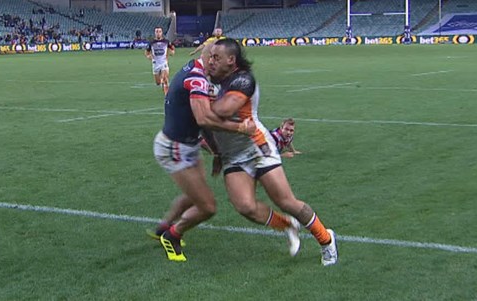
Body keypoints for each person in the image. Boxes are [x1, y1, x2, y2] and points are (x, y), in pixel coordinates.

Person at [207, 38, 338, 266]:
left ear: (231, 60)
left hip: (257, 146)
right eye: (210, 57)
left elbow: (221, 111)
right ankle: (287, 225)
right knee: (245, 207)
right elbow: (205, 126)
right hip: (232, 155)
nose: (211, 61)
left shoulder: (244, 80)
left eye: (216, 57)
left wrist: (202, 107)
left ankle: (326, 240)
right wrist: (217, 152)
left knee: (287, 201)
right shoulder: (206, 81)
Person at [152, 42, 257, 262]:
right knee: (208, 207)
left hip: (185, 145)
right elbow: (205, 119)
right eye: (213, 58)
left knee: (194, 197)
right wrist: (240, 128)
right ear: (206, 56)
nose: (215, 63)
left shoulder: (195, 70)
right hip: (175, 148)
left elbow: (202, 125)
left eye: (217, 59)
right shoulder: (197, 79)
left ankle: (163, 227)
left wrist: (217, 152)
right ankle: (172, 236)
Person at [145, 26, 174, 94]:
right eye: (156, 32)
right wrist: (149, 56)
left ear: (162, 33)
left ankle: (167, 95)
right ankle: (162, 83)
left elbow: (172, 49)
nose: (158, 33)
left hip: (164, 62)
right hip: (155, 64)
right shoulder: (151, 42)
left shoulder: (166, 41)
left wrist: (171, 52)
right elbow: (147, 52)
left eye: (159, 31)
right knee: (158, 83)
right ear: (155, 33)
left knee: (165, 79)